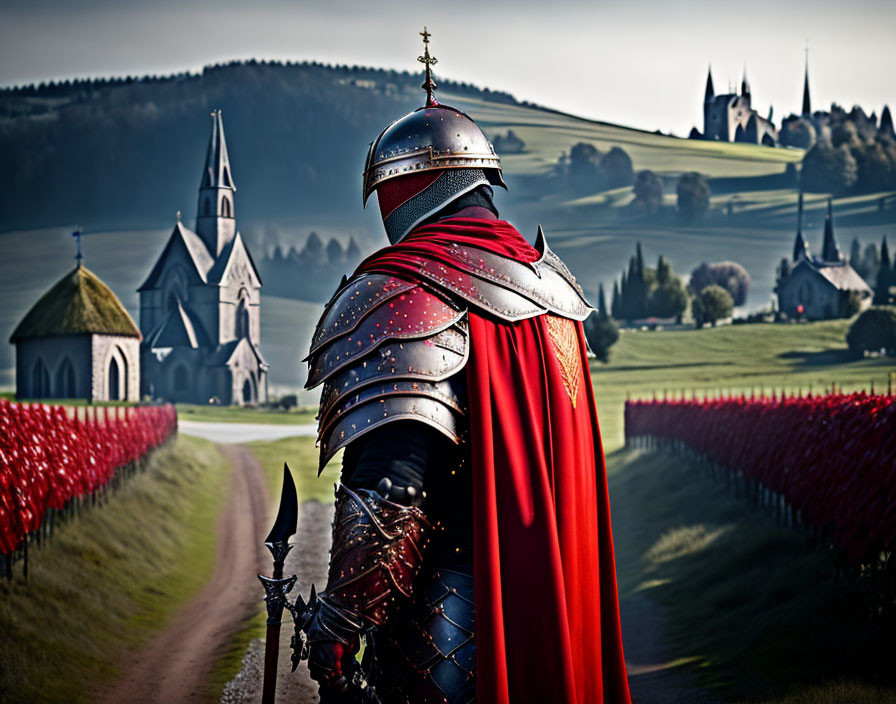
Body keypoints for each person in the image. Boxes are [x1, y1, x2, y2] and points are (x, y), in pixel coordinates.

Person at [303, 28, 632, 704]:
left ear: (402, 194)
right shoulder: (555, 295)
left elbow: (394, 487)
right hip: (559, 616)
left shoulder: (407, 292)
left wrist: (340, 623)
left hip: (450, 631)